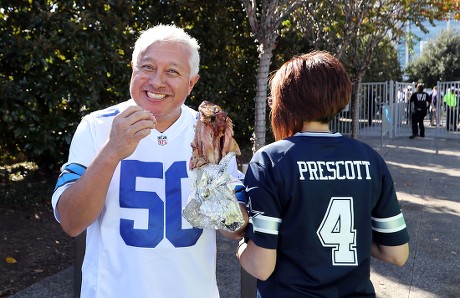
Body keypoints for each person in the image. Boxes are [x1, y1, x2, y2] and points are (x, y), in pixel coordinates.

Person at [52, 24, 246, 298]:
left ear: (191, 83)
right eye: (147, 67)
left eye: (173, 71)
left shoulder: (209, 131)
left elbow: (233, 230)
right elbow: (71, 222)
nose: (156, 81)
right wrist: (111, 152)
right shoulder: (96, 126)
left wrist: (213, 172)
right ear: (133, 68)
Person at [236, 51, 410, 298]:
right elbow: (397, 253)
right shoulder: (370, 159)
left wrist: (242, 244)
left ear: (285, 101)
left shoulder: (270, 161)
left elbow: (261, 266)